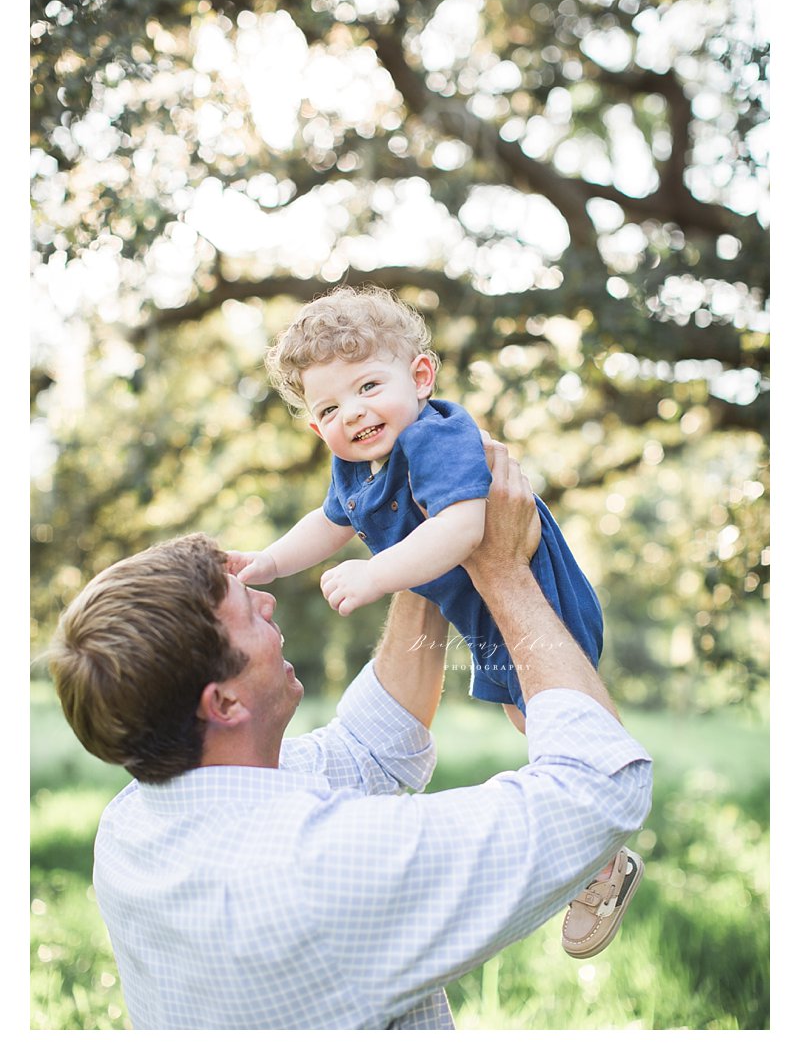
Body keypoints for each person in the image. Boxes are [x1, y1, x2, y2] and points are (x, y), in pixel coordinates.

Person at [49, 441, 652, 1030]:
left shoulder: (131, 824)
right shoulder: (317, 869)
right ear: (224, 702)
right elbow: (599, 791)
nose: (267, 603)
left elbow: (371, 748)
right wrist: (503, 571)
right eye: (247, 612)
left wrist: (421, 534)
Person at [227, 285, 642, 957]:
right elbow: (329, 523)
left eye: (368, 386)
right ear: (315, 427)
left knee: (550, 714)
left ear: (420, 377)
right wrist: (270, 561)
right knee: (526, 715)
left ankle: (603, 854)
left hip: (536, 594)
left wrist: (376, 574)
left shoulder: (435, 435)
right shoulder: (357, 465)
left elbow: (462, 528)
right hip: (483, 612)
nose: (353, 412)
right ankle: (599, 849)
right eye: (329, 408)